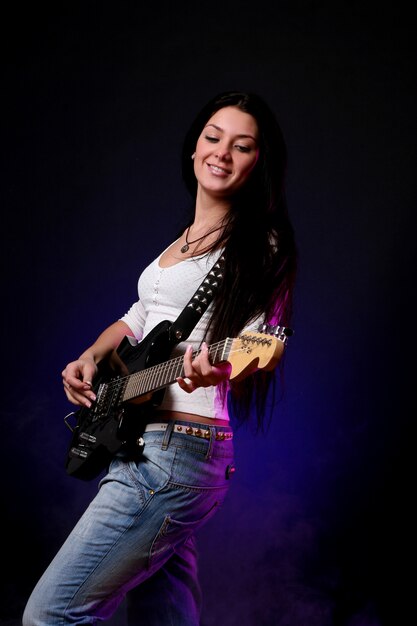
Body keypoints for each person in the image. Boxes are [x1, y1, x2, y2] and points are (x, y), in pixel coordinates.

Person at [23, 90, 297, 626]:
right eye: (213, 137)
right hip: (145, 442)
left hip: (175, 452)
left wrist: (217, 369)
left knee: (50, 616)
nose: (222, 152)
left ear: (258, 164)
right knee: (164, 617)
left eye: (242, 146)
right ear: (194, 148)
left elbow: (263, 342)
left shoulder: (257, 243)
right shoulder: (183, 241)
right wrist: (90, 355)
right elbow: (138, 315)